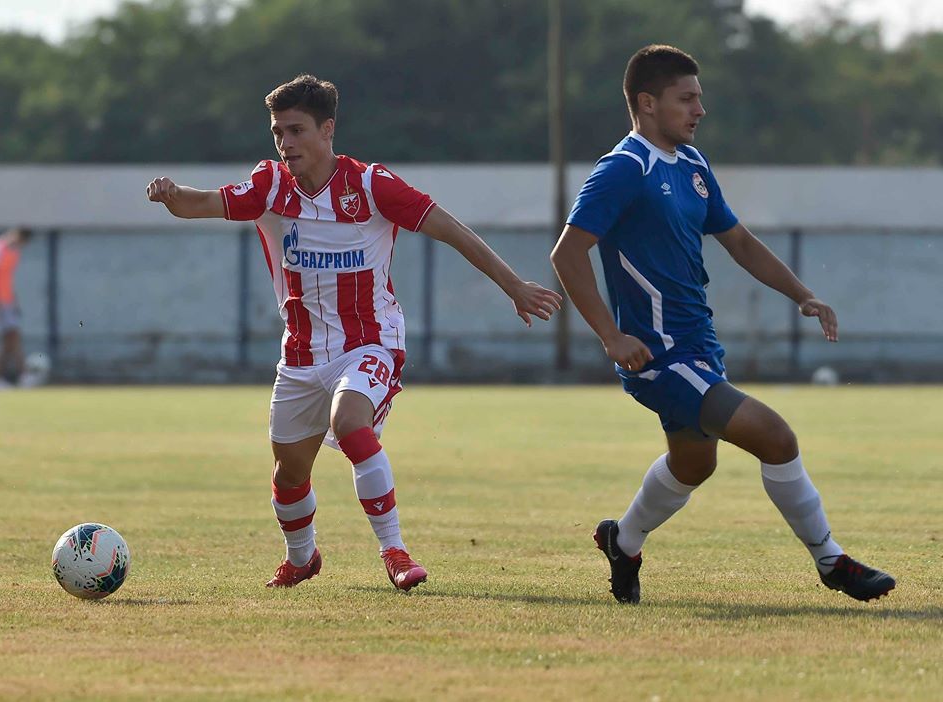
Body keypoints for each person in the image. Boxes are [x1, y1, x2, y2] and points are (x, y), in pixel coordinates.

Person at [147, 74, 561, 592]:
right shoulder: (270, 185)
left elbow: (449, 228)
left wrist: (513, 285)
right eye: (278, 132)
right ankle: (302, 557)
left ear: (328, 129)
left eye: (296, 130)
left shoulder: (370, 185)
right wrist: (170, 194)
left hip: (370, 343)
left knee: (350, 422)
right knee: (289, 473)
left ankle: (395, 551)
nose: (285, 143)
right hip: (300, 354)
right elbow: (201, 203)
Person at [550, 45, 894, 604]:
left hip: (698, 344)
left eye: (699, 98)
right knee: (775, 437)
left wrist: (802, 295)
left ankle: (624, 540)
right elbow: (567, 254)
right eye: (686, 98)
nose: (699, 109)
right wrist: (611, 336)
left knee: (694, 463)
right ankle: (832, 562)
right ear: (647, 103)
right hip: (657, 356)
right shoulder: (622, 169)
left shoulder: (692, 165)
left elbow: (738, 241)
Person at [0, 227, 31, 388]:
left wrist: (14, 301)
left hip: (7, 300)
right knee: (12, 335)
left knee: (10, 338)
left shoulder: (14, 252)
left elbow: (7, 280)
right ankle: (23, 374)